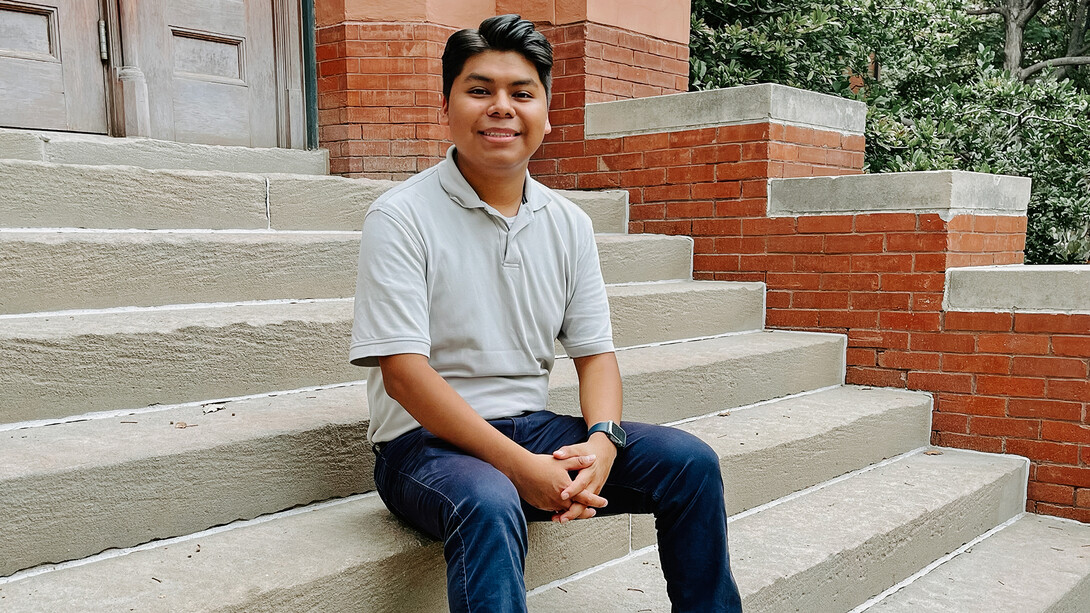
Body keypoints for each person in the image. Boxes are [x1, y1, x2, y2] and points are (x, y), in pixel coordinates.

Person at [350, 14, 743, 613]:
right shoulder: (400, 217)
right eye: (479, 90)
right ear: (447, 106)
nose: (501, 107)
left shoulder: (568, 223)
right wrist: (520, 469)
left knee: (689, 464)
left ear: (546, 111)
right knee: (490, 499)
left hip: (531, 427)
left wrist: (603, 443)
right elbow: (403, 373)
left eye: (521, 93)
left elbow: (596, 355)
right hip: (422, 448)